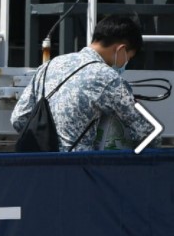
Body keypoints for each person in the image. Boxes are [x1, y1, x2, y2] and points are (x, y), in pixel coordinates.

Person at [11, 14, 151, 151]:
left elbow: (19, 118)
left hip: (38, 165)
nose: (125, 63)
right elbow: (145, 131)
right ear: (121, 49)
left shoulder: (49, 66)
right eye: (128, 57)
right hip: (78, 167)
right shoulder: (109, 78)